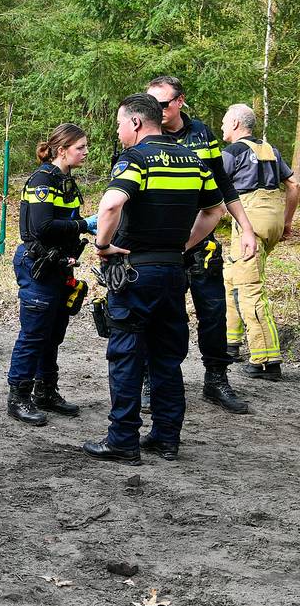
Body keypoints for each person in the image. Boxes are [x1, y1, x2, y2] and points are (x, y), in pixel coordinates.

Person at [83, 93, 226, 464]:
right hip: (173, 273)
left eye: (119, 124)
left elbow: (112, 204)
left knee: (127, 355)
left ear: (135, 123)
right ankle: (166, 438)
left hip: (135, 272)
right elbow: (215, 210)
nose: (118, 132)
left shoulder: (136, 159)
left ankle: (123, 441)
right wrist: (182, 246)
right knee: (166, 357)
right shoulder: (193, 161)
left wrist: (102, 245)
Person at [145, 76, 258, 414]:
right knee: (162, 316)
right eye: (152, 104)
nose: (157, 111)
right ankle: (155, 382)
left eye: (163, 104)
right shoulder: (144, 132)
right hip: (160, 245)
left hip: (200, 242)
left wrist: (247, 227)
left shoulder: (202, 135)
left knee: (213, 312)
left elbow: (222, 184)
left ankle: (216, 379)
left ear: (180, 101)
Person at [6, 123, 91, 426]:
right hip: (38, 265)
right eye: (80, 147)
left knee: (53, 334)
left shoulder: (66, 180)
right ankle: (18, 397)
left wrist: (85, 225)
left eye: (85, 146)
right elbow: (42, 227)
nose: (85, 152)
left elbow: (69, 218)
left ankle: (46, 390)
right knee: (34, 334)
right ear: (61, 150)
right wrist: (85, 225)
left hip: (59, 266)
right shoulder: (43, 180)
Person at [220, 103, 299, 381]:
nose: (221, 128)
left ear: (235, 124)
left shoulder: (233, 152)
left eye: (224, 123)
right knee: (231, 277)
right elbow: (293, 185)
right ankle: (230, 344)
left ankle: (267, 360)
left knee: (250, 289)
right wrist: (287, 220)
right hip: (273, 219)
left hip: (249, 223)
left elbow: (213, 185)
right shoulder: (270, 150)